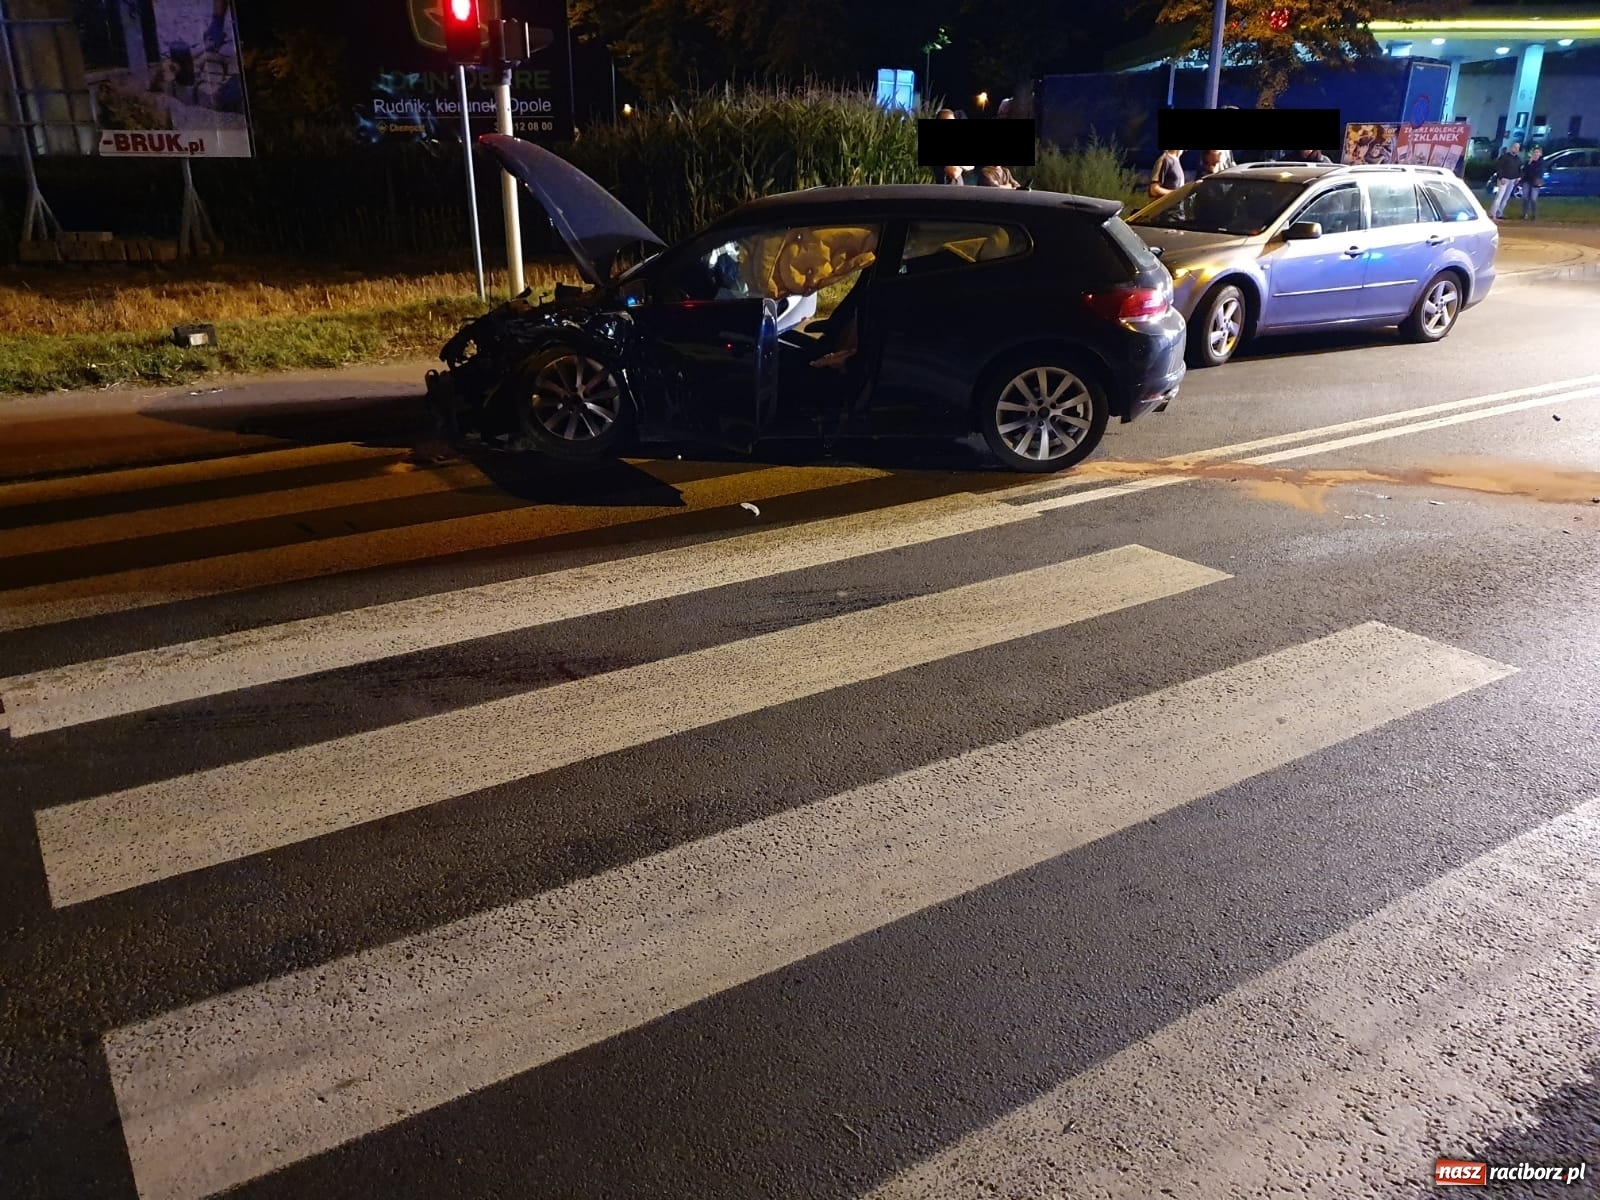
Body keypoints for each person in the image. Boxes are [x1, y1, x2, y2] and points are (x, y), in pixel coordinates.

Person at [935, 108, 973, 184]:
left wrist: (959, 166)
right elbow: (954, 172)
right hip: (944, 193)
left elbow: (971, 166)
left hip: (957, 192)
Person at [1491, 142, 1522, 218]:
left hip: (1512, 181)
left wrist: (1518, 177)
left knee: (1506, 198)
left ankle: (1499, 213)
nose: (1516, 149)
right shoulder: (1504, 157)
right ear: (1511, 147)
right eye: (1515, 147)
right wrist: (1501, 177)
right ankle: (1493, 213)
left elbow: (1519, 169)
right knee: (1499, 197)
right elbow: (1499, 167)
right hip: (1504, 180)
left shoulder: (1518, 159)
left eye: (1518, 147)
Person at [1520, 147, 1546, 220]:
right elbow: (1524, 170)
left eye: (1538, 152)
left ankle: (1534, 214)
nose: (1536, 154)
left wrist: (1531, 165)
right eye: (1535, 152)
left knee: (1533, 199)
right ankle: (1524, 213)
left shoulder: (1541, 162)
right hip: (1527, 181)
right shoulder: (1528, 161)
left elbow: (1538, 171)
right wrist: (1529, 163)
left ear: (1540, 154)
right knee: (1525, 198)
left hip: (1535, 182)